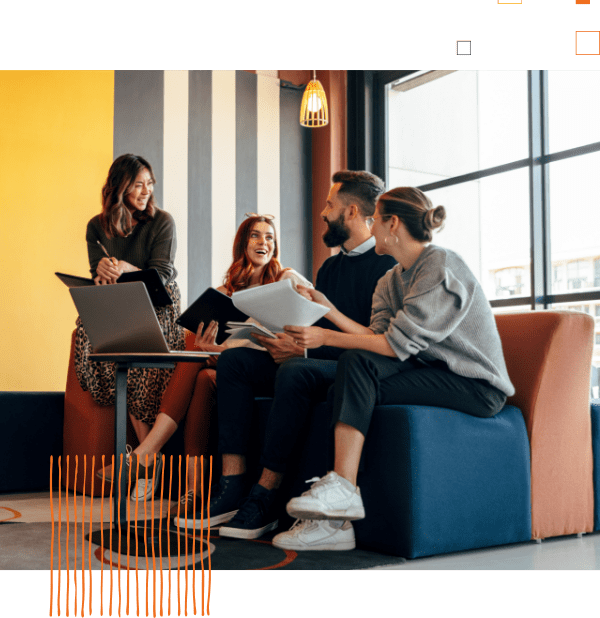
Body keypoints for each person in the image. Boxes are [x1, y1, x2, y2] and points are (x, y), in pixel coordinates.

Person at [274, 186, 515, 551]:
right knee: (344, 382)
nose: (369, 229)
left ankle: (342, 491)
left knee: (354, 366)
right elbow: (377, 338)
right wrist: (328, 310)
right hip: (429, 372)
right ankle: (335, 524)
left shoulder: (441, 265)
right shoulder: (390, 280)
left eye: (375, 221)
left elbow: (393, 345)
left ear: (393, 224)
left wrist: (325, 337)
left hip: (475, 385)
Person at [178, 171, 397, 540]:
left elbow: (376, 341)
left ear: (352, 211)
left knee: (295, 371)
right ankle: (232, 488)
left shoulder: (387, 266)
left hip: (353, 367)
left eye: (330, 205)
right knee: (234, 363)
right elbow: (310, 324)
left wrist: (303, 349)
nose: (323, 212)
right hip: (314, 356)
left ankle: (265, 496)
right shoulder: (329, 267)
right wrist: (283, 341)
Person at [98, 213, 312, 504]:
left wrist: (221, 353)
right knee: (200, 369)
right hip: (232, 368)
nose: (264, 242)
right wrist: (211, 350)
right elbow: (222, 350)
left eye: (270, 237)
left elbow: (307, 323)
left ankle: (148, 453)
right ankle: (193, 490)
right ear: (243, 244)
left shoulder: (286, 278)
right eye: (256, 235)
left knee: (197, 357)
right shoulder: (226, 292)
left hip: (277, 366)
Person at [74, 154, 185, 500]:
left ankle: (144, 460)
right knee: (87, 334)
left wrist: (123, 266)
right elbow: (98, 273)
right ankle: (148, 459)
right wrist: (102, 274)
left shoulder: (162, 221)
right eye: (138, 184)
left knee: (138, 362)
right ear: (119, 186)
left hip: (158, 305)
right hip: (119, 303)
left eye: (150, 183)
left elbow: (162, 274)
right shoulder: (97, 226)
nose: (146, 190)